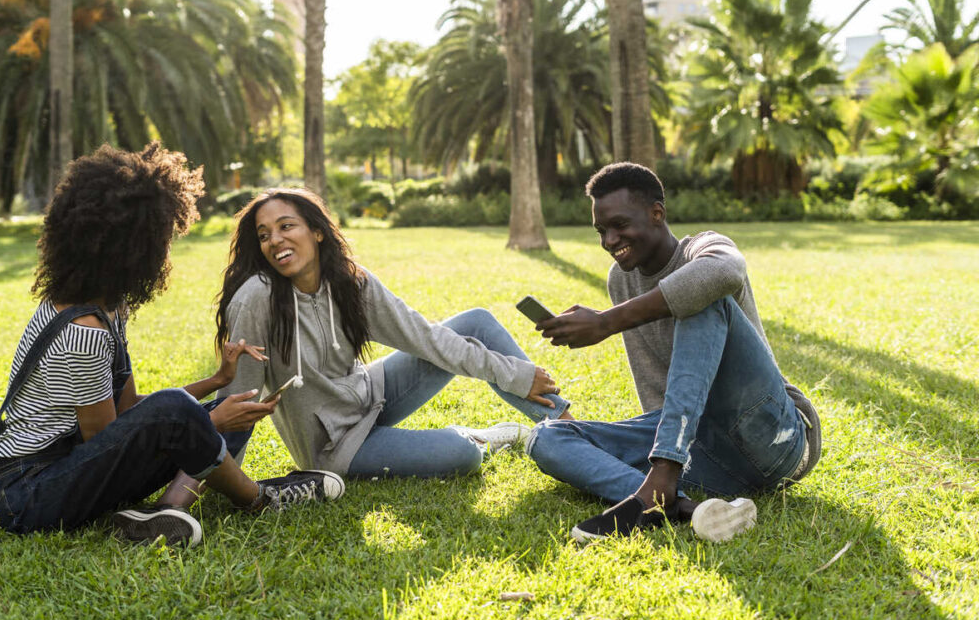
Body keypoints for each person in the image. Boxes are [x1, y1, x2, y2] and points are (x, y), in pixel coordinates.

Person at [0, 145, 343, 548]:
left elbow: (129, 410)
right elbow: (110, 446)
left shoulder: (107, 307)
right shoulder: (84, 331)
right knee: (194, 413)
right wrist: (210, 422)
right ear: (132, 247)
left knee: (235, 407)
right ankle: (261, 499)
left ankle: (166, 510)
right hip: (29, 494)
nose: (164, 252)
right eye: (161, 238)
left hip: (68, 469)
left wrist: (215, 383)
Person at [525, 162, 821, 543]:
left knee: (701, 297)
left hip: (776, 438)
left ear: (656, 213)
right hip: (705, 458)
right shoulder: (622, 279)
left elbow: (722, 275)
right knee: (547, 437)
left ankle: (661, 478)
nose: (610, 240)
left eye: (619, 225)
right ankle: (682, 506)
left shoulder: (704, 248)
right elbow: (656, 391)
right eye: (601, 231)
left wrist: (606, 322)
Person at [210, 188, 571, 482]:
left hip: (369, 393)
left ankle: (574, 431)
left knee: (475, 321)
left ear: (317, 231)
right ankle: (483, 438)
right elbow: (239, 397)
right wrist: (219, 478)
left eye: (286, 226)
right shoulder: (259, 297)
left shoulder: (351, 280)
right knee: (463, 455)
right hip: (335, 447)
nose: (275, 240)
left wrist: (516, 376)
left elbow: (424, 337)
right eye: (264, 235)